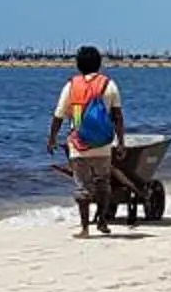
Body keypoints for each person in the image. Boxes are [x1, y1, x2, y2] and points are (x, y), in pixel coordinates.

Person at [51, 45, 128, 237]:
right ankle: (102, 219)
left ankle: (85, 228)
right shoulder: (108, 85)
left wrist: (51, 137)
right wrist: (121, 142)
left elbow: (58, 116)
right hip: (102, 144)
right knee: (103, 183)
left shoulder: (71, 86)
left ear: (78, 64)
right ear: (99, 64)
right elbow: (118, 116)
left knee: (82, 186)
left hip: (79, 144)